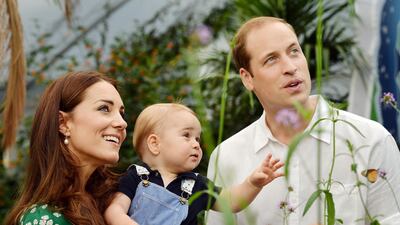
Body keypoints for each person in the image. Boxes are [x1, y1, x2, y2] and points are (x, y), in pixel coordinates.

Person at [206, 16, 400, 225]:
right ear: (247, 78)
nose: (290, 67)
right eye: (271, 59)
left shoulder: (371, 139)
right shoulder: (226, 157)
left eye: (294, 51)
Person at [104, 103, 284, 225]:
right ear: (155, 144)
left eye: (197, 138)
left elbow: (230, 202)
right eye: (186, 135)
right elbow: (114, 210)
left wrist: (252, 183)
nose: (196, 143)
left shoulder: (196, 184)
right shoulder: (136, 176)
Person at [4, 71, 128, 225]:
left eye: (122, 113)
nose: (122, 123)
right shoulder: (44, 218)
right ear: (62, 123)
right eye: (104, 108)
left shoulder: (119, 203)